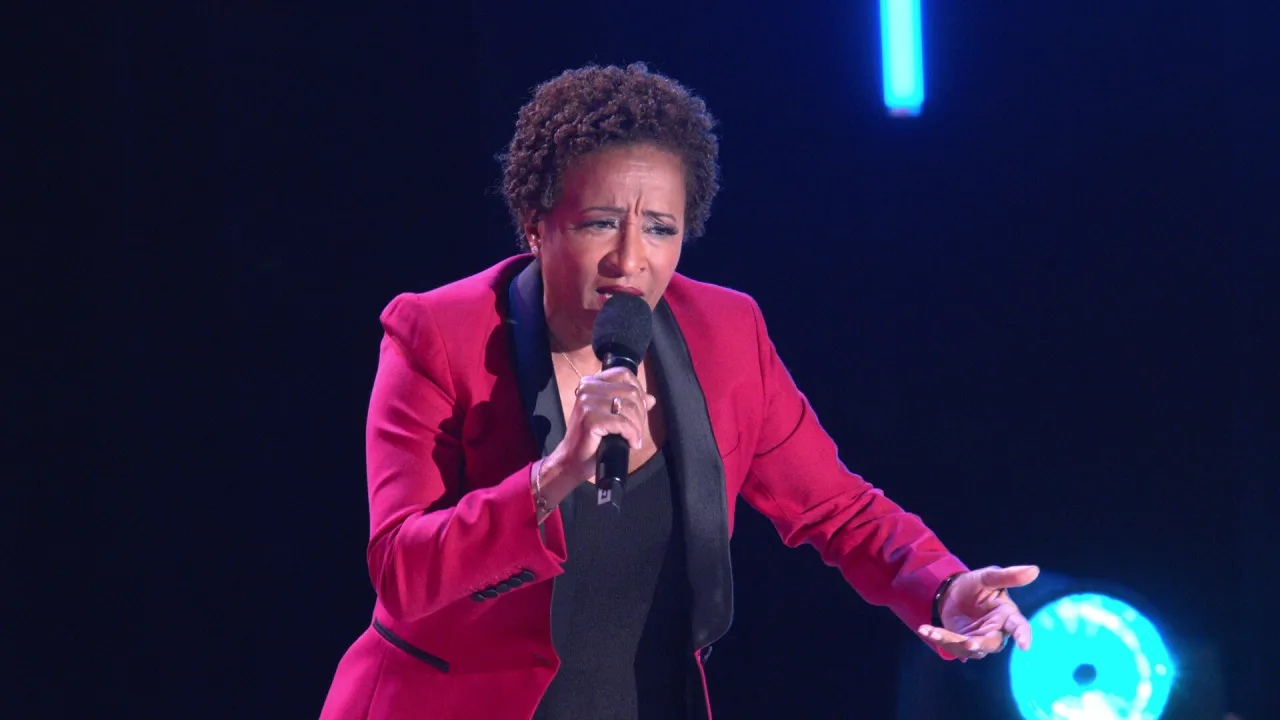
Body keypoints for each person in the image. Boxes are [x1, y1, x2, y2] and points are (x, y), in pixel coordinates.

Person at [318, 62, 1040, 720]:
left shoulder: (727, 333)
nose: (630, 260)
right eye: (600, 223)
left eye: (660, 229)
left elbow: (837, 508)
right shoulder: (439, 334)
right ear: (536, 224)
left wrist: (942, 587)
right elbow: (401, 571)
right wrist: (551, 476)